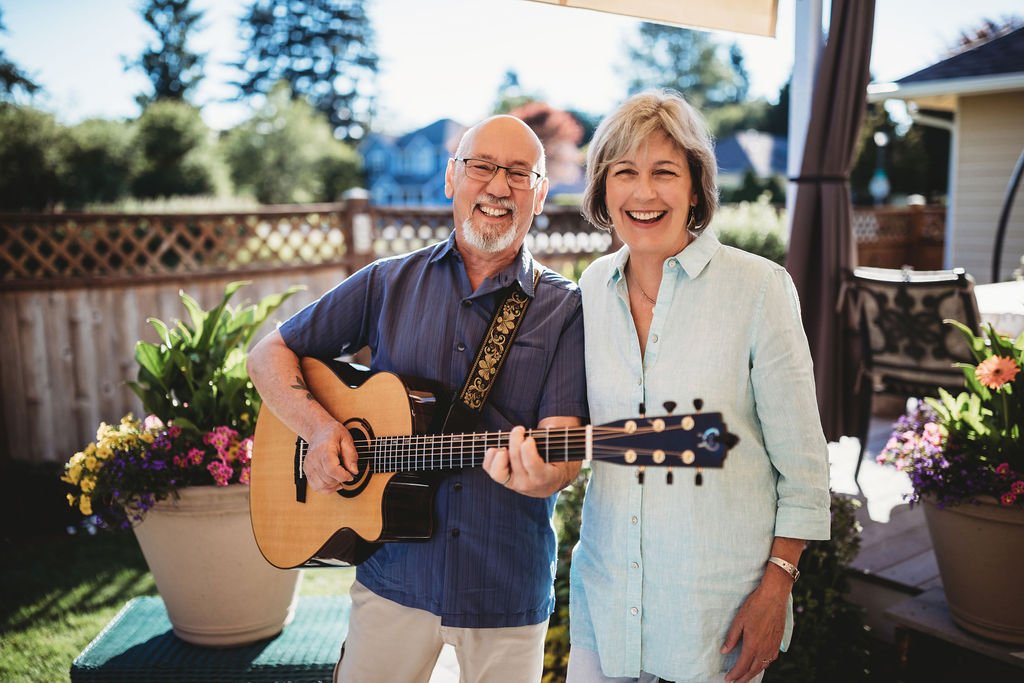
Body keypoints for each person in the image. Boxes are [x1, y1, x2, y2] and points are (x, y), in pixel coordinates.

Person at [493, 90, 831, 683]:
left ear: (695, 188)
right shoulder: (590, 289)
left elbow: (803, 466)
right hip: (608, 601)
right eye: (625, 172)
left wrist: (778, 585)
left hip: (715, 614)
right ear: (603, 189)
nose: (643, 193)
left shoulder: (759, 289)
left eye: (665, 173)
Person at [246, 115, 588, 683]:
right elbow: (269, 355)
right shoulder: (386, 282)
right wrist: (320, 429)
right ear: (452, 177)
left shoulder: (564, 308)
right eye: (481, 166)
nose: (498, 186)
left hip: (502, 587)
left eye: (518, 173)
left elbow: (562, 454)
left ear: (541, 193)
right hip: (391, 578)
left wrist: (540, 475)